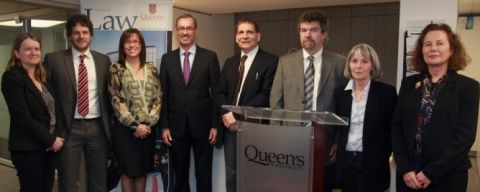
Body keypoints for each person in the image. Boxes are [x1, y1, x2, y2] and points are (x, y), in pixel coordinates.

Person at [391, 23, 479, 191]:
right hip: (408, 177)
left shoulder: (468, 88)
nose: (433, 48)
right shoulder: (409, 84)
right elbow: (397, 129)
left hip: (447, 177)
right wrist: (405, 168)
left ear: (452, 49)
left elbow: (465, 138)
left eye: (439, 43)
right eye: (427, 44)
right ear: (421, 50)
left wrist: (431, 173)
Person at [269, 9, 346, 192]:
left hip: (324, 140)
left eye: (313, 30)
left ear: (324, 34)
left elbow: (344, 105)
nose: (307, 35)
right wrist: (275, 136)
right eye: (303, 30)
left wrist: (337, 140)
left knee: (322, 186)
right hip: (290, 140)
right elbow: (276, 102)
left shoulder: (339, 63)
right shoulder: (285, 62)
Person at [43, 14, 112, 192]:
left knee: (99, 180)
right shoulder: (54, 59)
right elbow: (45, 97)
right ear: (69, 35)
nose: (81, 36)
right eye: (76, 33)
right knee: (68, 180)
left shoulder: (103, 61)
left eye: (85, 32)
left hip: (97, 127)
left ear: (91, 35)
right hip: (68, 128)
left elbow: (109, 95)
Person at [215, 18, 278, 192]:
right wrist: (227, 115)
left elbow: (266, 95)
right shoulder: (230, 62)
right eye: (241, 32)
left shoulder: (271, 61)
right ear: (236, 38)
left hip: (255, 127)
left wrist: (236, 114)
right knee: (232, 173)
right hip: (230, 128)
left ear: (258, 36)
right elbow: (219, 92)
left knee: (255, 174)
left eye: (249, 32)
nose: (245, 36)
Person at [160, 14, 221, 192]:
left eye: (189, 28)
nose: (185, 32)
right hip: (175, 127)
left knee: (203, 174)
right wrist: (164, 126)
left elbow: (217, 94)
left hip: (203, 126)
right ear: (177, 31)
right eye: (181, 28)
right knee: (180, 175)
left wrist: (215, 125)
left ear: (195, 30)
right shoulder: (167, 59)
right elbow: (163, 95)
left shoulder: (209, 57)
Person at [1, 33, 64, 192]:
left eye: (36, 49)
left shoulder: (42, 77)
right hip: (28, 149)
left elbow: (54, 111)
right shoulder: (12, 77)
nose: (33, 52)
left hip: (48, 149)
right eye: (28, 49)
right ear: (17, 53)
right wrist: (50, 140)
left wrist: (57, 136)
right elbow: (22, 118)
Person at [333, 44, 397, 192]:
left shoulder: (386, 93)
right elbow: (338, 128)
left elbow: (392, 130)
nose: (358, 66)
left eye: (364, 61)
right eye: (354, 61)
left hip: (374, 161)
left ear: (373, 66)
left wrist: (382, 154)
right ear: (349, 64)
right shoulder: (340, 93)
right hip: (346, 161)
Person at [109, 28, 162, 192]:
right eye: (128, 41)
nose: (132, 45)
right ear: (122, 45)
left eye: (136, 41)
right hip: (125, 130)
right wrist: (135, 125)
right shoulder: (115, 69)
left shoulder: (152, 70)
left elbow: (158, 98)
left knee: (142, 171)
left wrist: (147, 124)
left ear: (141, 45)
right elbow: (115, 100)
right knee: (127, 172)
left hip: (147, 129)